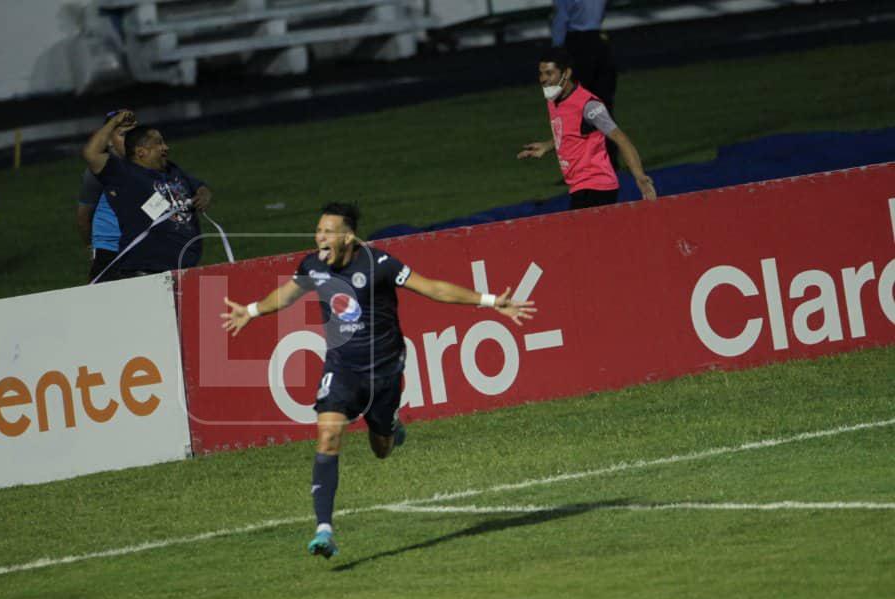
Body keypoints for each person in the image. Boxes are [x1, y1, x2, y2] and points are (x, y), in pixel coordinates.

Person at [221, 202, 535, 559]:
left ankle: (390, 424)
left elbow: (433, 288)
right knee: (328, 436)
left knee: (381, 448)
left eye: (328, 231)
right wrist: (251, 310)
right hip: (342, 369)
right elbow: (287, 294)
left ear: (348, 237)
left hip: (385, 369)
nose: (320, 237)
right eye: (318, 230)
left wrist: (490, 301)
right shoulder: (312, 266)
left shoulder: (380, 263)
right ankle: (324, 529)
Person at [517, 47, 656, 210]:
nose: (543, 79)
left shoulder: (589, 106)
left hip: (597, 187)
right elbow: (571, 132)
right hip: (579, 186)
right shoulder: (553, 100)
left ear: (566, 73)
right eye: (541, 73)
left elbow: (621, 139)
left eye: (549, 73)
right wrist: (547, 146)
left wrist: (639, 176)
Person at [82, 110, 212, 280]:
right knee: (216, 291)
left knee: (218, 288)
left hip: (185, 269)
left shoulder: (171, 169)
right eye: (159, 143)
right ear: (141, 152)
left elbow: (198, 186)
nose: (166, 147)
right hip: (148, 274)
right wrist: (114, 122)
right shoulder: (124, 174)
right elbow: (91, 153)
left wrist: (204, 194)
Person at [551, 0, 617, 165]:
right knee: (603, 105)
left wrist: (555, 52)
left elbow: (561, 18)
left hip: (577, 44)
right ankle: (610, 158)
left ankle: (585, 162)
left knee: (577, 107)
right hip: (598, 42)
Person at [77, 111, 137, 282]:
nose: (130, 140)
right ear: (109, 140)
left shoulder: (146, 164)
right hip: (111, 250)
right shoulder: (97, 173)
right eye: (123, 134)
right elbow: (84, 216)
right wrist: (93, 247)